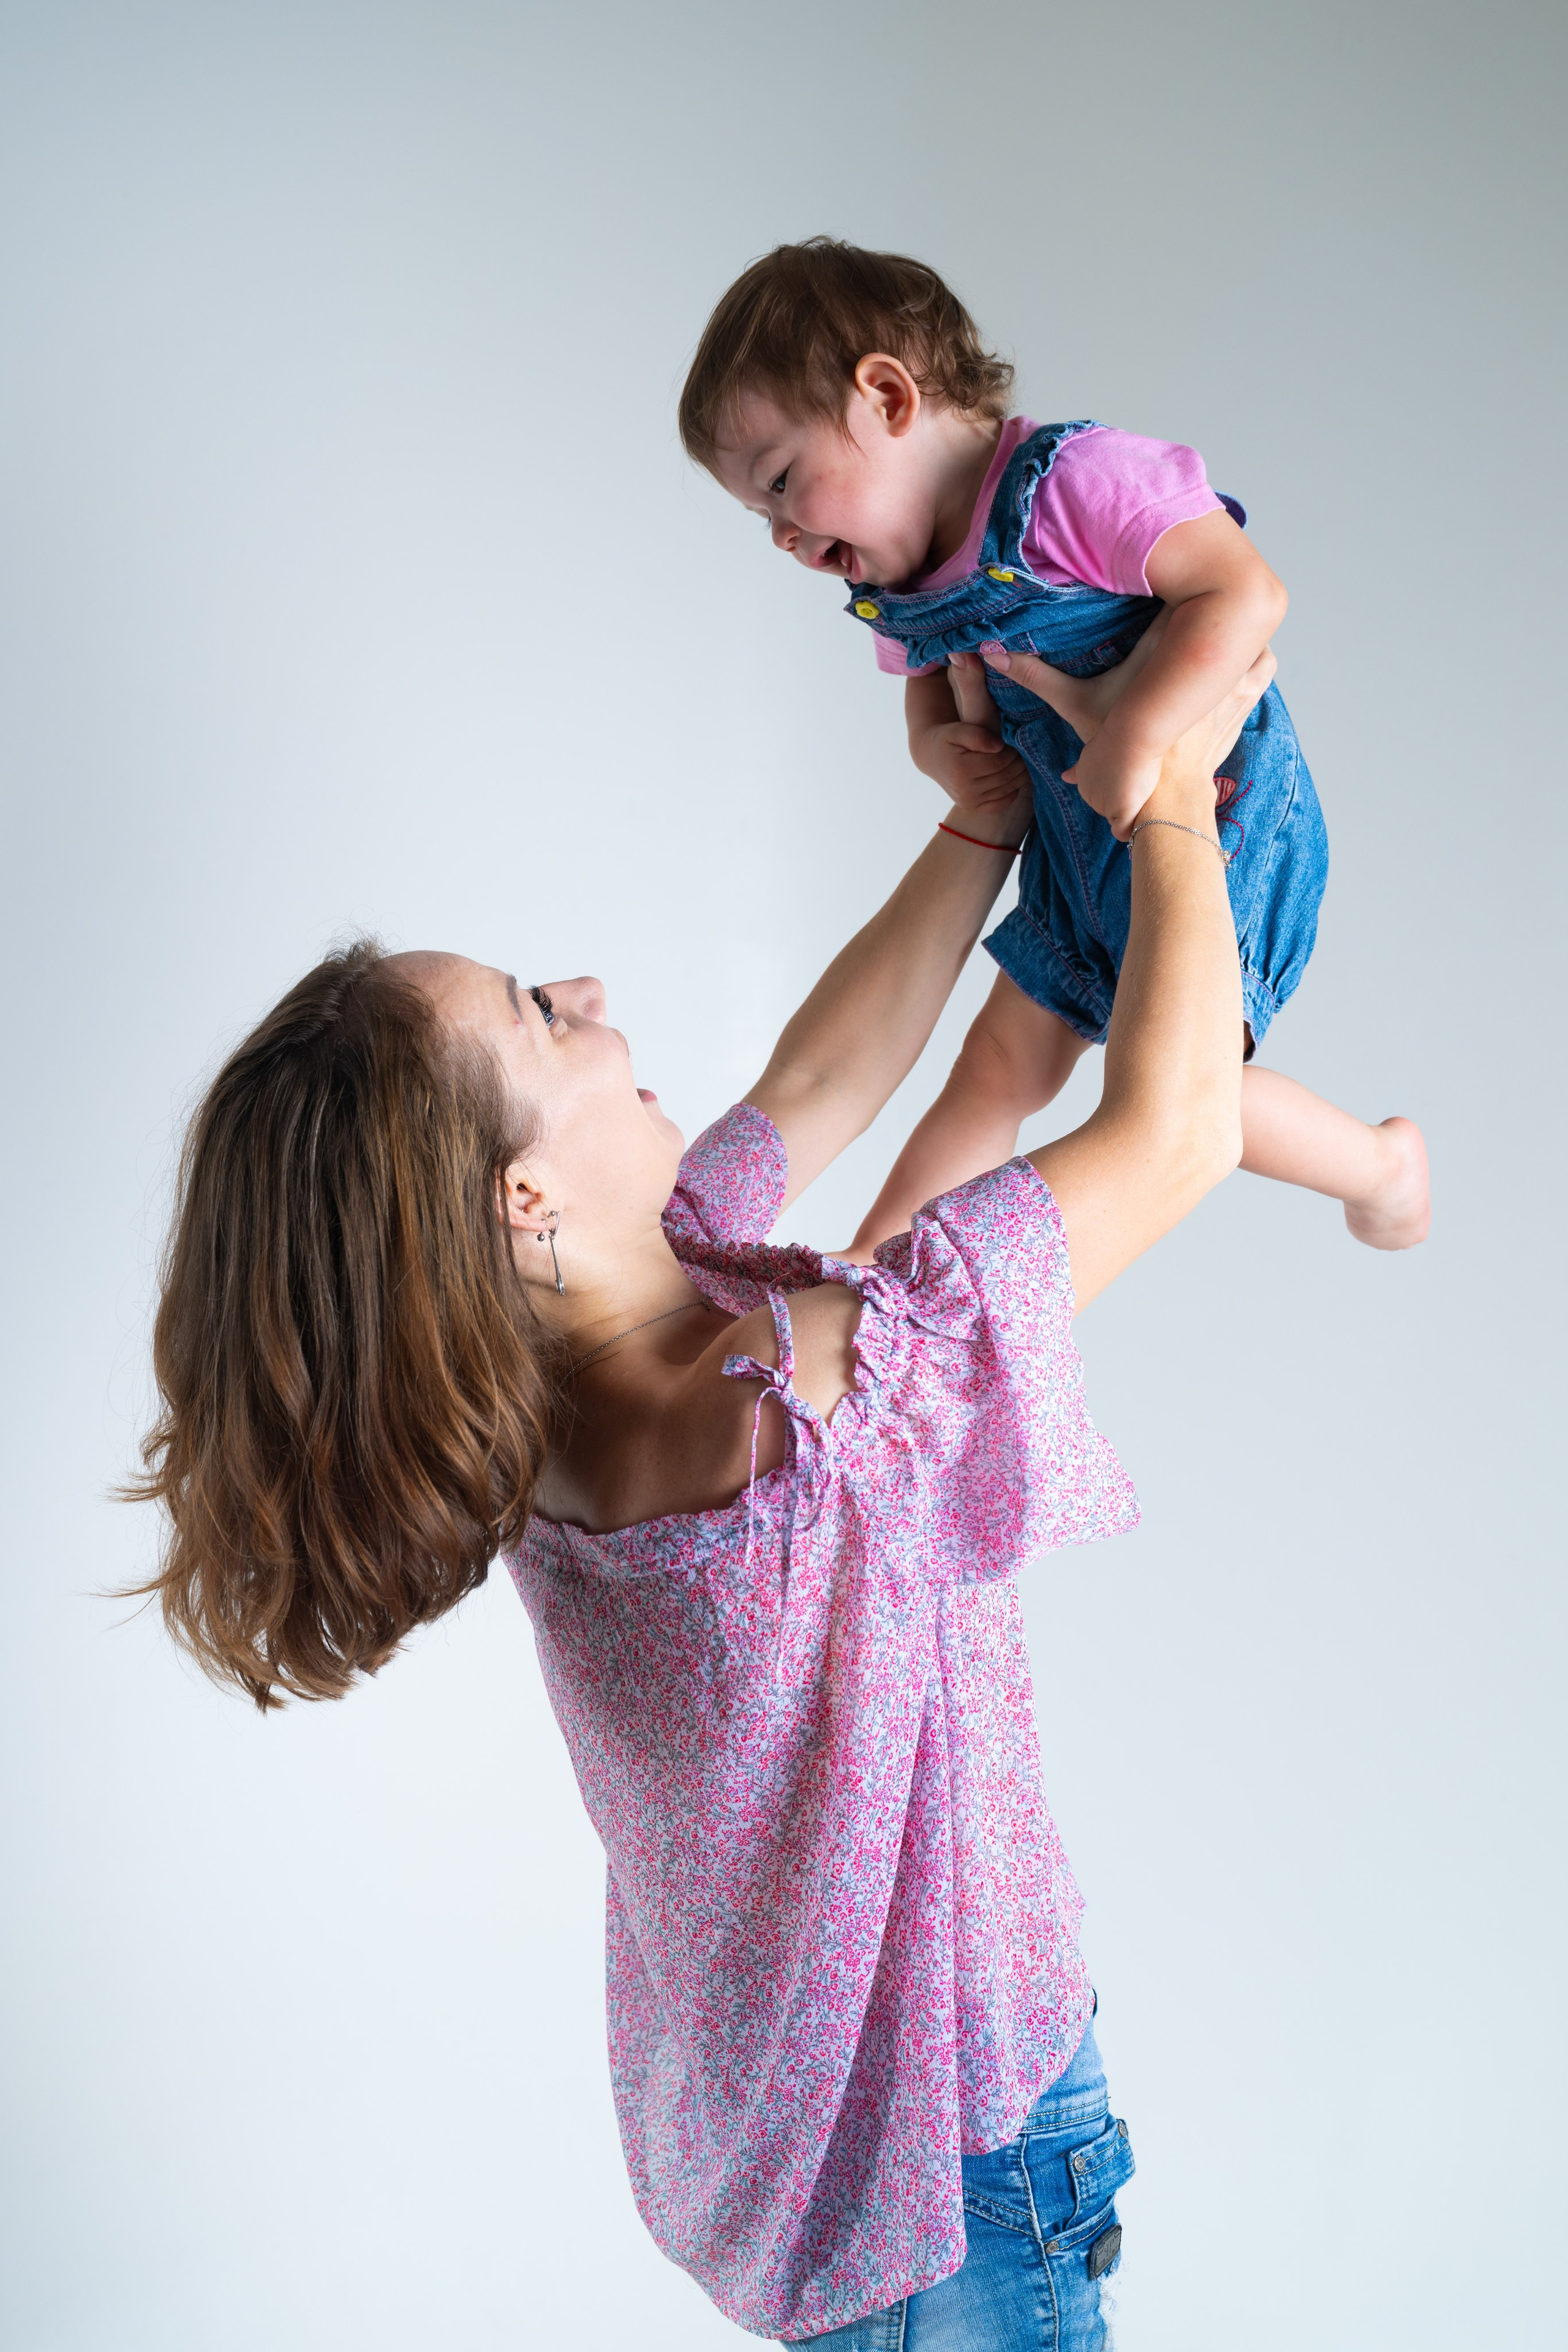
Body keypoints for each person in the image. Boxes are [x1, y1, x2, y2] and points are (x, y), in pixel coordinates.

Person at [135, 650, 1262, 2345]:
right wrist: (1165, 778)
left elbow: (815, 1084)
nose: (587, 992)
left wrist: (978, 829)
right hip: (953, 2185)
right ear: (523, 1199)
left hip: (823, 2185)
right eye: (537, 1011)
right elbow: (1181, 1134)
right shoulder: (802, 1411)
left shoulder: (553, 1398)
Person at [679, 236, 1430, 1261]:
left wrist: (1140, 731)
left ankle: (1383, 1170)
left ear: (888, 397)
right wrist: (944, 758)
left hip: (1216, 814)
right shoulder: (896, 588)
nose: (779, 534)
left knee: (1173, 1086)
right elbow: (930, 703)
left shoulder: (1071, 483)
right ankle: (868, 1273)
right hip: (1075, 856)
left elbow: (1245, 593)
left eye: (781, 482)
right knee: (993, 1071)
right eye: (759, 513)